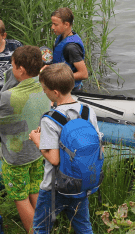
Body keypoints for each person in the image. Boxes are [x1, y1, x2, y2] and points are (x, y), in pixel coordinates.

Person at [29, 64, 97, 234]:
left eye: (45, 89)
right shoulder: (88, 112)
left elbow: (54, 159)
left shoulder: (50, 120)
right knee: (83, 226)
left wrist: (37, 140)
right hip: (81, 180)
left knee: (40, 228)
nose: (44, 92)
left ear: (55, 93)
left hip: (54, 187)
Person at [0, 46, 51, 233]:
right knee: (35, 190)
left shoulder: (10, 97)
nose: (11, 67)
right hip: (37, 149)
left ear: (21, 70)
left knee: (20, 198)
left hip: (16, 156)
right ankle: (46, 227)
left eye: (13, 65)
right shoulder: (45, 86)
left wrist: (10, 79)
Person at [47, 7, 88, 92]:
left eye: (56, 24)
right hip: (61, 86)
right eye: (52, 24)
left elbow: (84, 74)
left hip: (71, 90)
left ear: (66, 25)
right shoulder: (61, 37)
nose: (52, 27)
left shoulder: (71, 48)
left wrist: (60, 78)